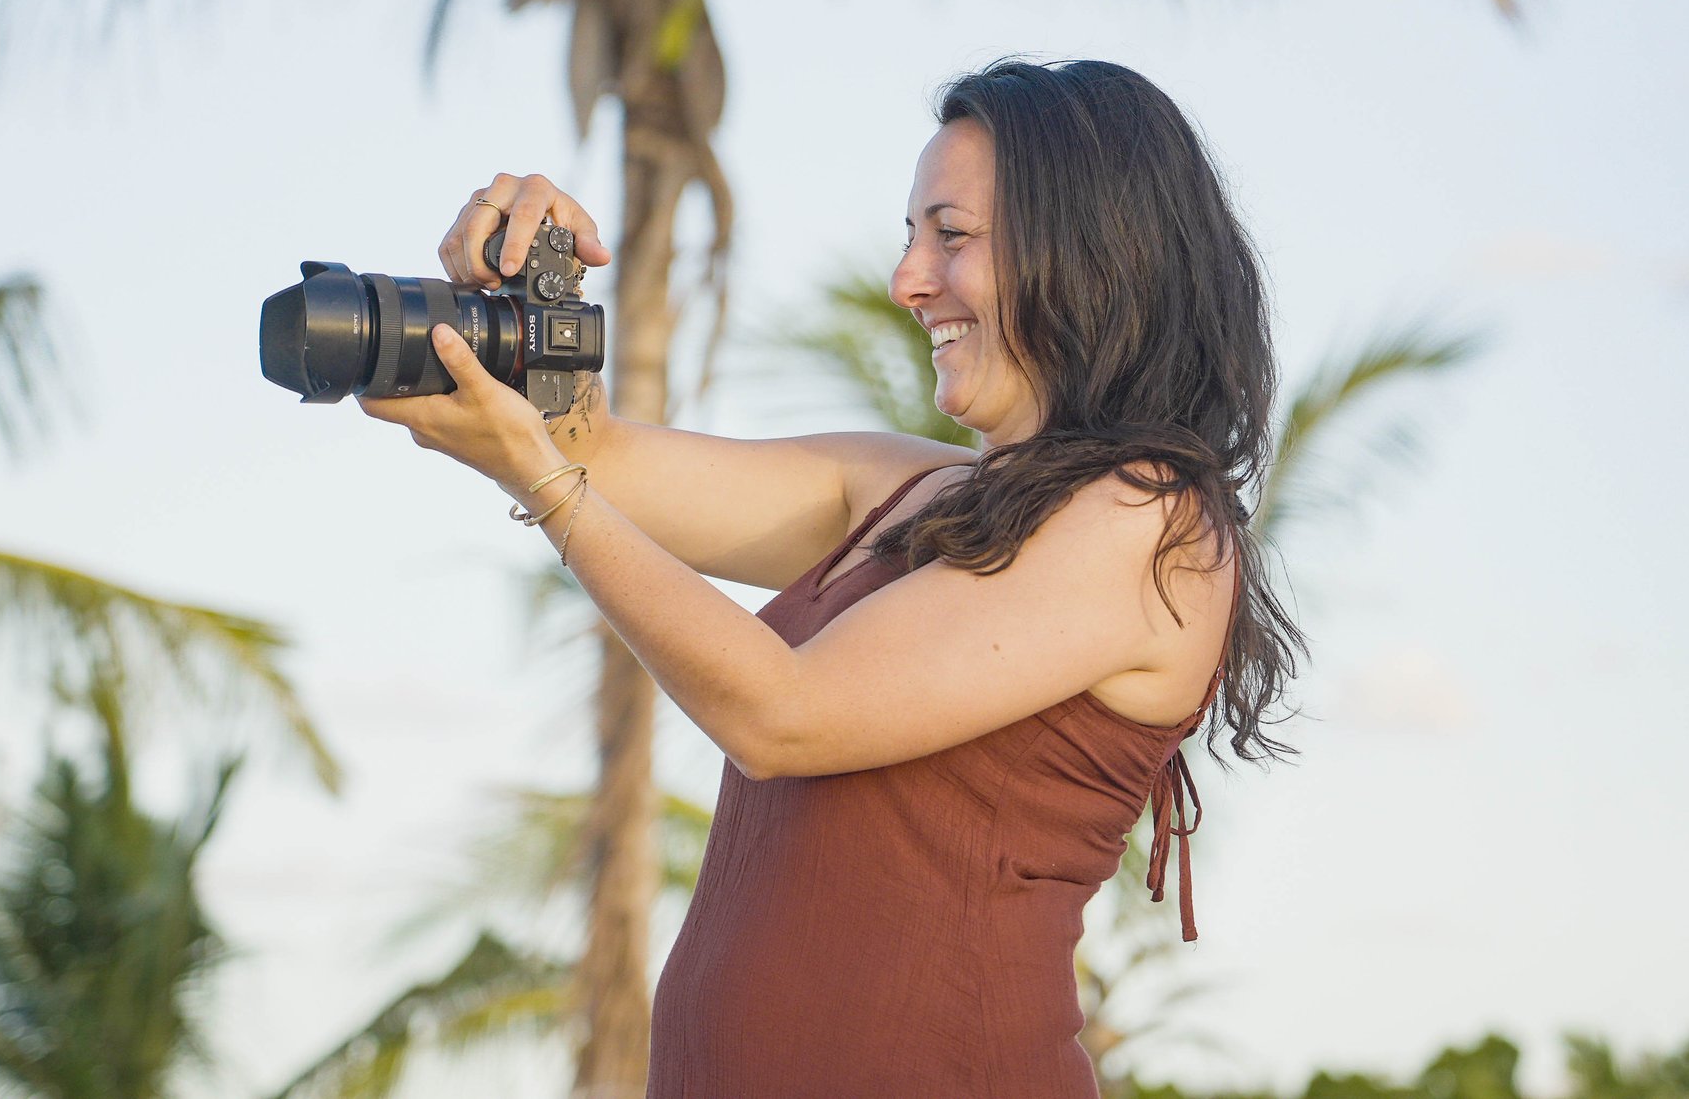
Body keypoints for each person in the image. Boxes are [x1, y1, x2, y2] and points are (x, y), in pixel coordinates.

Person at [359, 56, 1307, 1098]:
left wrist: (540, 475)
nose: (909, 279)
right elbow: (600, 456)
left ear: (1091, 250)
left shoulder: (1147, 517)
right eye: (911, 237)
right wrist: (517, 316)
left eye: (952, 235)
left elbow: (785, 712)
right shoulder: (898, 487)